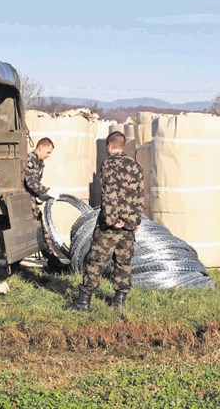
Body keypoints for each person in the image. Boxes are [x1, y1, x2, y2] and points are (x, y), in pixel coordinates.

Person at [67, 131, 144, 311]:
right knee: (123, 262)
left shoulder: (109, 164)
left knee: (96, 261)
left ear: (109, 145)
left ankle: (83, 302)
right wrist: (135, 221)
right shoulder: (136, 166)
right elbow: (140, 195)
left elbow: (109, 193)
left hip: (111, 224)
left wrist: (112, 219)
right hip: (129, 225)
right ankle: (119, 302)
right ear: (123, 145)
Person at [24, 137, 59, 220]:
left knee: (38, 218)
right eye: (48, 152)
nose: (48, 155)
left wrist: (40, 195)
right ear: (40, 148)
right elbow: (31, 181)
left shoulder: (39, 162)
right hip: (24, 199)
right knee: (35, 219)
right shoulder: (30, 160)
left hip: (31, 197)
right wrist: (46, 190)